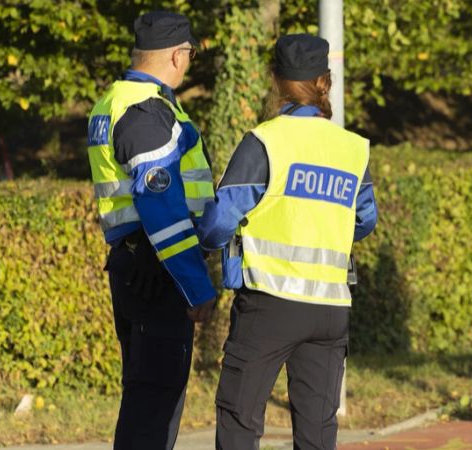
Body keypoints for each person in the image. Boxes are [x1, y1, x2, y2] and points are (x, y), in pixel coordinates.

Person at [196, 34, 377, 450]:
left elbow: (219, 221)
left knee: (240, 417)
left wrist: (210, 243)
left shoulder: (265, 141)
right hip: (331, 308)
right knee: (317, 430)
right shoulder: (352, 149)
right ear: (325, 82)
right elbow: (365, 220)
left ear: (275, 79)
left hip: (270, 302)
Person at [86, 11, 217, 450]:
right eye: (190, 54)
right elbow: (160, 205)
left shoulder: (113, 100)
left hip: (136, 263)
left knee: (147, 393)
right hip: (157, 271)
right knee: (154, 403)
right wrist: (195, 284)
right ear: (178, 56)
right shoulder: (145, 111)